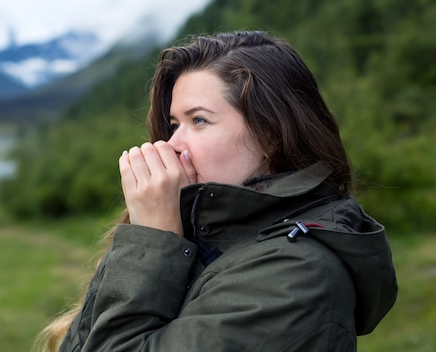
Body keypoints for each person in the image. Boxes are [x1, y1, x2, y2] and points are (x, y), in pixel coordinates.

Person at [39, 30, 398, 351]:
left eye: (199, 120)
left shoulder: (295, 276)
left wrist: (151, 237)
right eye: (174, 124)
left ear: (270, 136)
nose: (173, 143)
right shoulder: (202, 234)